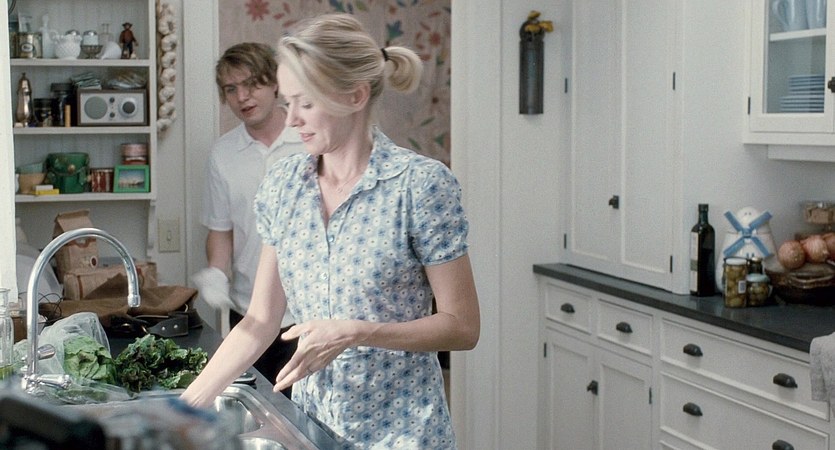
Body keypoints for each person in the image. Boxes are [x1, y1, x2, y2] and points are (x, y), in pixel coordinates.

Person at [182, 14, 480, 448]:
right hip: (312, 429)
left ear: (355, 96)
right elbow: (260, 321)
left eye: (305, 104)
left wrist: (358, 331)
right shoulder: (285, 186)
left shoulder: (419, 185)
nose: (291, 119)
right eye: (288, 102)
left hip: (403, 434)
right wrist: (182, 411)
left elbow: (462, 326)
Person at [190, 42, 304, 398]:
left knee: (303, 418)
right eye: (231, 89)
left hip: (308, 312)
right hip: (249, 312)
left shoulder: (309, 138)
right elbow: (221, 230)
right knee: (254, 409)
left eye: (252, 84)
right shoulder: (223, 154)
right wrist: (215, 271)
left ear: (275, 82)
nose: (242, 97)